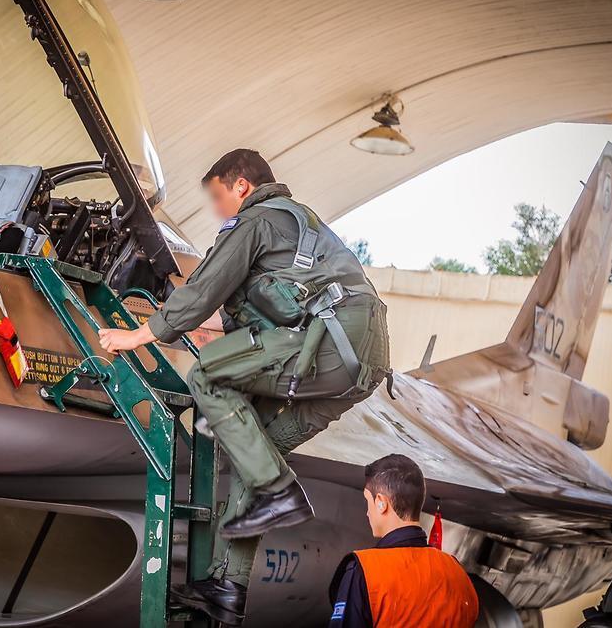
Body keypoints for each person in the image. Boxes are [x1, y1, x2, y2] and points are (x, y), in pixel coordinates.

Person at [98, 148, 391, 626]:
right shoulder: (301, 225)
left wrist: (139, 334)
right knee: (259, 452)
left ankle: (278, 493)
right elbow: (244, 308)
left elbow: (203, 291)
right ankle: (228, 588)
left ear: (241, 186)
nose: (216, 209)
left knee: (207, 376)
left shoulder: (255, 221)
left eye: (218, 196)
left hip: (331, 344)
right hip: (362, 360)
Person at [328, 454, 479, 628]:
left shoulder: (366, 571)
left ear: (381, 503)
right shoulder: (456, 572)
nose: (367, 512)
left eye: (367, 500)